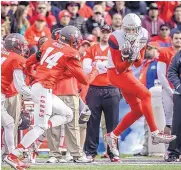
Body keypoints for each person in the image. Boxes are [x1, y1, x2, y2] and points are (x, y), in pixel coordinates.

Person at [4, 26, 89, 169]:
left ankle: (43, 127)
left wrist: (29, 69)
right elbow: (83, 79)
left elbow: (32, 60)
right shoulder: (71, 53)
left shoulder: (48, 43)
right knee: (39, 126)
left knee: (68, 114)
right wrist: (87, 71)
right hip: (43, 88)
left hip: (44, 88)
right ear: (73, 40)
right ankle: (13, 155)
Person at [105, 13, 176, 159]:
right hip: (115, 72)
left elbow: (138, 63)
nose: (131, 33)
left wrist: (134, 56)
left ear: (138, 28)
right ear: (123, 28)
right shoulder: (115, 37)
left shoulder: (143, 33)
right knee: (146, 94)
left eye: (133, 30)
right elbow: (119, 67)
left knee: (138, 111)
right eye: (128, 30)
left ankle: (113, 136)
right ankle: (155, 133)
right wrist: (129, 59)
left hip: (127, 71)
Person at [83, 24, 121, 162]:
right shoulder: (92, 48)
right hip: (94, 88)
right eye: (104, 32)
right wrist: (102, 66)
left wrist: (98, 66)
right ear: (100, 33)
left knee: (113, 124)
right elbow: (85, 68)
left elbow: (117, 68)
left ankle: (113, 152)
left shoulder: (115, 49)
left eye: (108, 32)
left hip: (112, 88)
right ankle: (90, 152)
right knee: (92, 123)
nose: (105, 35)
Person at [1, 33, 33, 168]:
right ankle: (11, 156)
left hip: (2, 95)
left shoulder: (3, 54)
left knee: (9, 124)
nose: (23, 48)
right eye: (21, 45)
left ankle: (10, 156)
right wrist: (35, 96)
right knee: (9, 124)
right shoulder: (16, 58)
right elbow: (20, 86)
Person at [157, 31, 181, 154]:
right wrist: (170, 90)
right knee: (170, 122)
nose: (178, 40)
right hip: (170, 90)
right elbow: (161, 74)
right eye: (176, 38)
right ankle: (168, 151)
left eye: (180, 38)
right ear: (171, 39)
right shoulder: (164, 52)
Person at [167, 50, 181, 162]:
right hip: (180, 93)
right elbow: (171, 72)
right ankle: (174, 152)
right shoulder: (179, 55)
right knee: (177, 123)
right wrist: (179, 86)